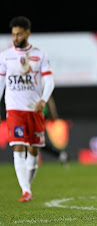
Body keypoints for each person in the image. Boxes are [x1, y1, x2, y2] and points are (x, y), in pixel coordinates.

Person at [0, 16, 55, 202]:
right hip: (14, 109)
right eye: (13, 34)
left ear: (27, 33)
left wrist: (43, 100)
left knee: (33, 149)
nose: (15, 37)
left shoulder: (39, 54)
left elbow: (49, 80)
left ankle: (27, 187)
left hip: (34, 109)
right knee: (18, 145)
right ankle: (26, 191)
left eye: (19, 34)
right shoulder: (5, 55)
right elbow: (1, 82)